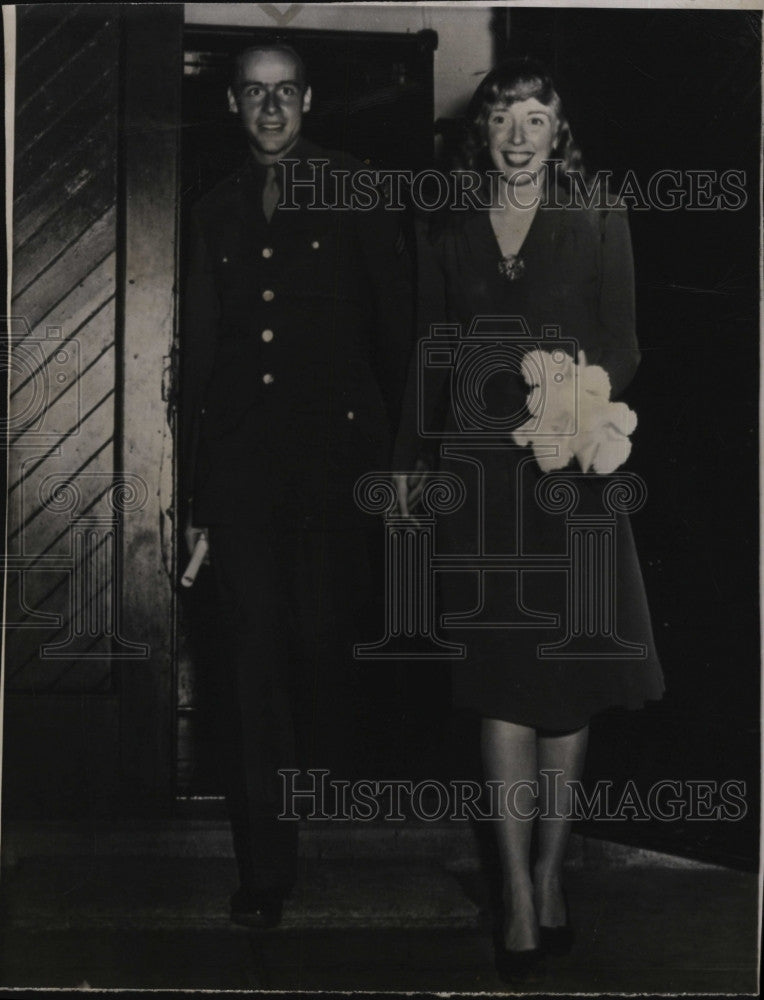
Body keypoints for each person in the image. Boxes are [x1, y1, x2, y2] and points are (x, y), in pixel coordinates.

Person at [393, 58, 664, 981]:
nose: (518, 137)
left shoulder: (600, 216)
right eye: (504, 119)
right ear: (486, 131)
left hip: (570, 481)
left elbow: (622, 344)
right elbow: (430, 354)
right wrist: (410, 466)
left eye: (536, 121)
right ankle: (512, 893)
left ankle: (551, 875)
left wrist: (574, 416)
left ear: (559, 134)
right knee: (500, 686)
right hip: (478, 488)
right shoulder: (450, 222)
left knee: (566, 689)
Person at [182, 44, 414, 929]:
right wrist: (197, 501)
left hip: (337, 469)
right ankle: (265, 872)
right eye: (254, 94)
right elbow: (204, 362)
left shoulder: (355, 188)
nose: (271, 109)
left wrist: (400, 464)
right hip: (242, 477)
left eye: (285, 93)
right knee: (252, 666)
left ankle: (338, 798)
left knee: (323, 647)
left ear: (309, 100)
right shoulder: (213, 208)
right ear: (235, 106)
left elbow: (397, 332)